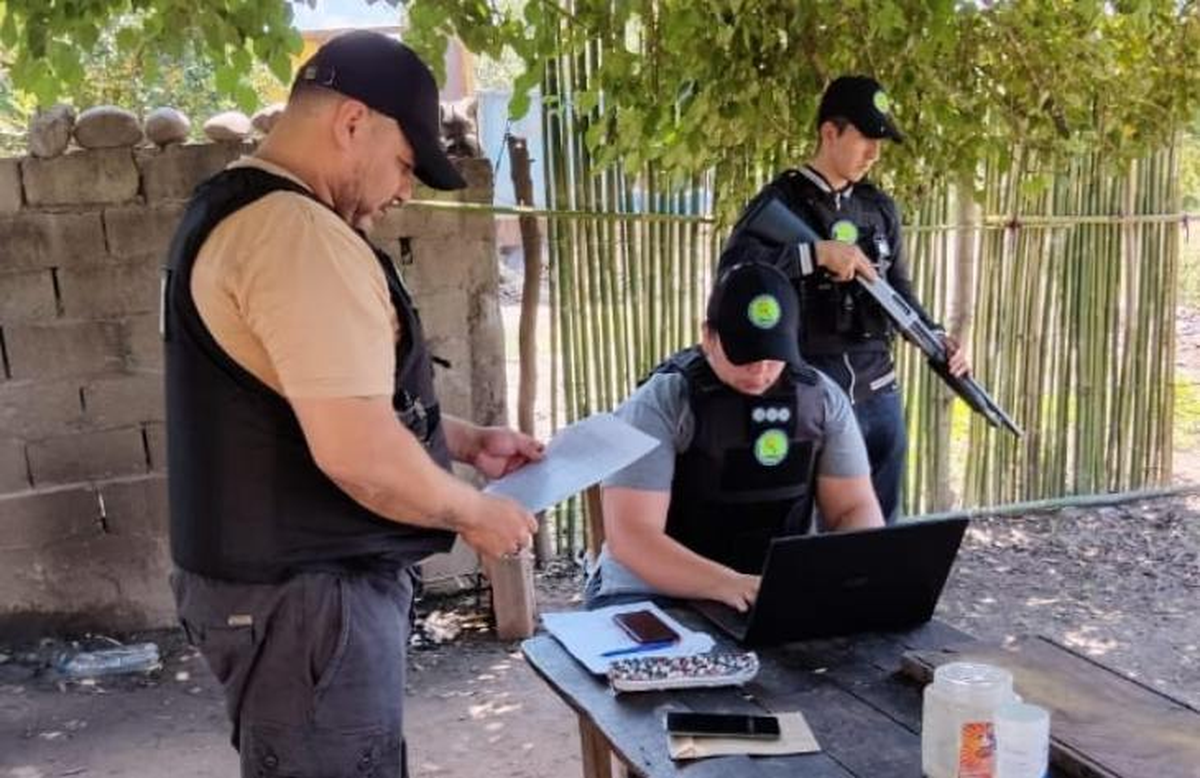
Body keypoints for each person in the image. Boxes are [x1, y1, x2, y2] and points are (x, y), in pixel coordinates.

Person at [163, 31, 541, 777]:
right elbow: (359, 451)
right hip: (309, 598)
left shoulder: (232, 206)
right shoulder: (297, 233)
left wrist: (464, 442)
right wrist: (474, 512)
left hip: (279, 593)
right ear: (352, 122)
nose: (403, 192)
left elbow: (317, 399)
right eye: (403, 163)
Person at [719, 75, 970, 523]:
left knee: (881, 531)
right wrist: (813, 255)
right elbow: (734, 276)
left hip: (880, 389)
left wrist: (936, 336)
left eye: (880, 142)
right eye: (865, 139)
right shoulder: (780, 201)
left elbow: (899, 290)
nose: (874, 153)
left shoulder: (879, 208)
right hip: (811, 390)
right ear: (829, 132)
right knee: (807, 537)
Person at [584, 262, 884, 612]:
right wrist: (728, 584)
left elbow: (853, 507)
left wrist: (856, 572)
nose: (760, 370)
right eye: (745, 354)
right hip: (651, 589)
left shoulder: (821, 399)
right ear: (708, 336)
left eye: (774, 356)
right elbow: (632, 537)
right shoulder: (663, 402)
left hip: (765, 587)